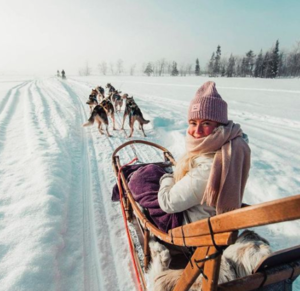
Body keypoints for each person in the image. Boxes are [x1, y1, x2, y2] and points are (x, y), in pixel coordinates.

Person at [157, 81, 251, 225]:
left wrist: (167, 176)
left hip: (192, 231)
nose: (197, 131)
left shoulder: (214, 165)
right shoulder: (219, 147)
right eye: (193, 123)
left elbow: (168, 203)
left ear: (220, 126)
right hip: (202, 220)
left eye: (206, 123)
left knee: (144, 179)